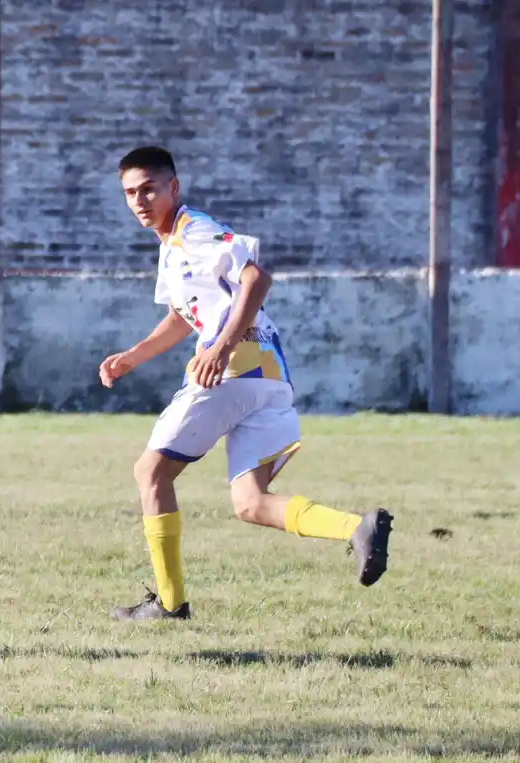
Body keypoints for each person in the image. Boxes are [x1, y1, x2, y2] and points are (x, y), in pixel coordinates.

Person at [98, 145, 394, 621]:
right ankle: (356, 529)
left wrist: (218, 348)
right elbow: (182, 316)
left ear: (173, 187)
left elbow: (256, 278)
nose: (139, 200)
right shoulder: (172, 245)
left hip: (234, 370)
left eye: (149, 188)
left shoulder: (194, 230)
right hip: (271, 376)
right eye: (130, 193)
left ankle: (171, 606)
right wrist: (134, 356)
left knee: (151, 474)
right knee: (252, 503)